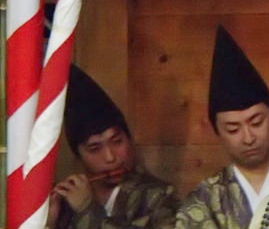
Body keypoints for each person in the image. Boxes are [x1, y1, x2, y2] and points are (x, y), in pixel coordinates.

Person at [176, 27, 269, 229]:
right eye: (233, 129)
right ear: (217, 132)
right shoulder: (204, 201)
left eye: (256, 122)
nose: (248, 138)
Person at [49, 65, 179, 229]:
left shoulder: (158, 196)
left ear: (129, 140)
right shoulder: (67, 201)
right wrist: (49, 222)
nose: (110, 157)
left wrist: (87, 210)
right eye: (95, 148)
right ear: (79, 155)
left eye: (117, 141)